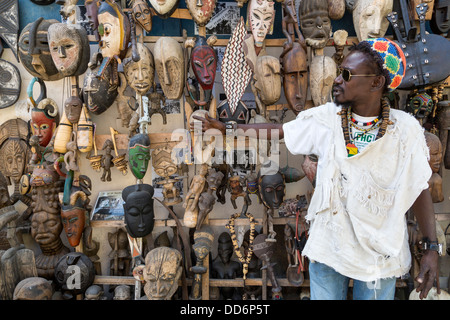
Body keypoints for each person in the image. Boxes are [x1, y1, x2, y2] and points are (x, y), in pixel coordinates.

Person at [192, 38, 440, 300]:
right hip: (330, 246)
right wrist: (227, 127)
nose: (337, 80)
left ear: (376, 83)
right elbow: (280, 131)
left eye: (347, 75)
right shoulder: (327, 119)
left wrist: (431, 248)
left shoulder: (405, 130)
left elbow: (419, 187)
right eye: (338, 73)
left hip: (380, 254)